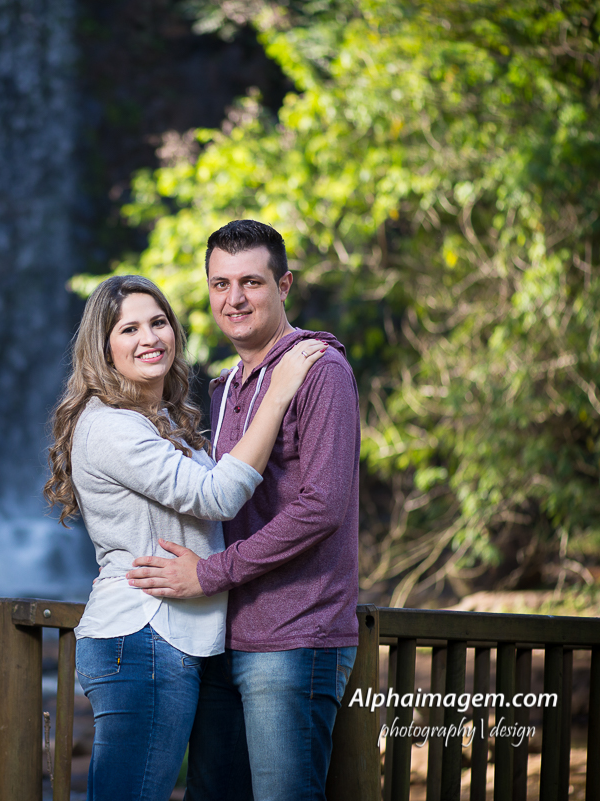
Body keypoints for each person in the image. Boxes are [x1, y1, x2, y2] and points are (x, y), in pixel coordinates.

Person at [43, 274, 328, 801]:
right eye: (128, 328)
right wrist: (279, 389)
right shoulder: (111, 426)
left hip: (175, 639)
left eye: (158, 323)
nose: (149, 337)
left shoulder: (164, 419)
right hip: (143, 636)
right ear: (103, 348)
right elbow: (217, 498)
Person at [126, 219, 361, 801]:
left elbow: (322, 507)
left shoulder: (320, 370)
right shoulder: (223, 386)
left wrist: (207, 573)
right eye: (221, 283)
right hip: (220, 639)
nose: (235, 299)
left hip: (294, 636)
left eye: (251, 282)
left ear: (283, 286)